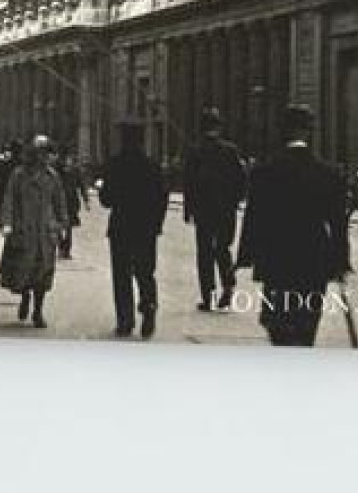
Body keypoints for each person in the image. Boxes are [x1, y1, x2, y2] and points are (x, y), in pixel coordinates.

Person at [236, 104, 349, 347]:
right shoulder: (328, 174)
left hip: (277, 262)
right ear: (309, 132)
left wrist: (246, 256)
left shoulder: (264, 173)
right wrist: (341, 261)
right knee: (306, 325)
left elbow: (254, 219)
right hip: (313, 263)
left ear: (283, 131)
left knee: (278, 324)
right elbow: (339, 225)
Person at [99, 119, 169, 338]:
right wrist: (157, 224)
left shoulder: (115, 165)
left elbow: (106, 200)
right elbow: (162, 198)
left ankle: (125, 320)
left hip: (121, 226)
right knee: (146, 272)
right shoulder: (152, 166)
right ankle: (149, 308)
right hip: (146, 229)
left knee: (122, 275)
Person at [181, 107, 247, 311]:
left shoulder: (196, 151)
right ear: (219, 127)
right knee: (222, 249)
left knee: (205, 253)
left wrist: (188, 210)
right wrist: (235, 200)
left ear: (202, 128)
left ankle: (208, 296)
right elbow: (241, 179)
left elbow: (188, 182)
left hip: (204, 211)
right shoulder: (231, 151)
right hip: (226, 210)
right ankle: (228, 284)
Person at [0, 135, 68, 328]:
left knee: (43, 273)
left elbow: (60, 202)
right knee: (23, 270)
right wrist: (7, 222)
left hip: (45, 232)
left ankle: (38, 311)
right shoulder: (18, 175)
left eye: (47, 153)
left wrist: (63, 225)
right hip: (24, 230)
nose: (44, 157)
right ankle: (25, 297)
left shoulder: (52, 176)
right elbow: (9, 199)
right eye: (40, 153)